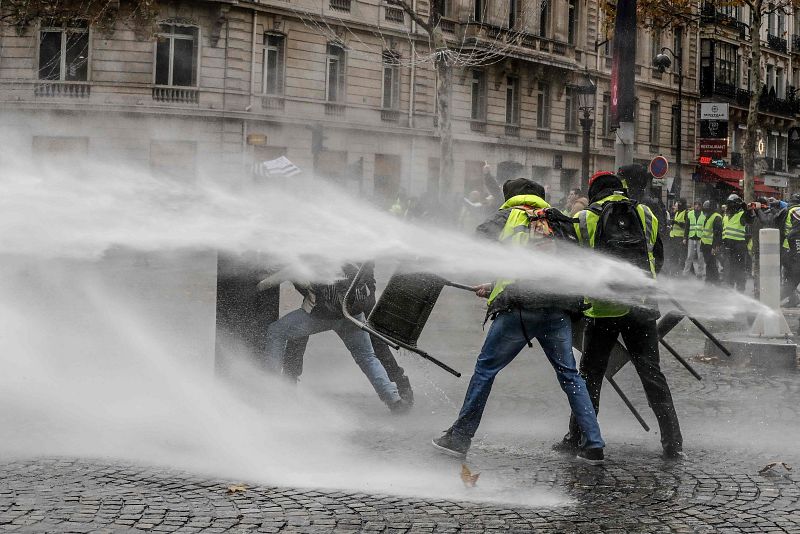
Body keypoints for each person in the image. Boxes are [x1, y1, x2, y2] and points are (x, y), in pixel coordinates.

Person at [431, 177, 606, 464]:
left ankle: (459, 437)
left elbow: (481, 246)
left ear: (511, 196)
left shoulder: (508, 216)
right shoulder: (557, 218)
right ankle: (593, 444)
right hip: (557, 307)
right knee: (570, 375)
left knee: (485, 370)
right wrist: (495, 283)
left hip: (520, 308)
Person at [554, 171, 684, 460]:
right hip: (643, 306)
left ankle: (579, 436)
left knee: (590, 376)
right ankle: (673, 441)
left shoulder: (587, 218)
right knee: (652, 374)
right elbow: (657, 258)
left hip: (603, 308)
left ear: (595, 191)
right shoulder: (646, 214)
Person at [264, 262, 410, 413]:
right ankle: (394, 400)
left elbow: (271, 279)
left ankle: (271, 390)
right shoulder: (351, 252)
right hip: (353, 315)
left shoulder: (306, 255)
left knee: (276, 331)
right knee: (367, 357)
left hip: (320, 317)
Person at [722, 194, 755, 292]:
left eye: (730, 204)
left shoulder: (741, 215)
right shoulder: (726, 216)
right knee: (730, 268)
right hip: (728, 246)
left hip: (738, 246)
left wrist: (747, 210)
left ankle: (740, 288)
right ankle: (730, 286)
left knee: (739, 268)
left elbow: (750, 218)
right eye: (728, 204)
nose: (728, 206)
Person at [781, 193, 800, 307]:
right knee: (793, 277)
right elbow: (794, 234)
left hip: (786, 248)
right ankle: (772, 301)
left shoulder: (785, 210)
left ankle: (792, 299)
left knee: (790, 277)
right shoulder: (795, 210)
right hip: (793, 248)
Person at [700, 200, 723, 284]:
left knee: (712, 263)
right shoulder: (708, 216)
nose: (705, 211)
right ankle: (709, 280)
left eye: (706, 209)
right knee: (708, 263)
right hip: (705, 244)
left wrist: (714, 246)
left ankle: (714, 281)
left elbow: (718, 234)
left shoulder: (716, 217)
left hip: (711, 245)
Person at [683, 201, 706, 278]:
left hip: (700, 238)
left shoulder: (704, 215)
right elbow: (687, 227)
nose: (697, 207)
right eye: (696, 205)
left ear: (701, 206)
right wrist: (685, 237)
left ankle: (700, 273)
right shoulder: (690, 214)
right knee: (689, 256)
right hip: (692, 237)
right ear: (694, 206)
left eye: (698, 205)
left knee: (700, 257)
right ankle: (685, 273)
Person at [668, 199, 688, 276]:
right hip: (673, 237)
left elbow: (686, 226)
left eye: (676, 205)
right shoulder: (677, 213)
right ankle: (674, 271)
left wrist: (675, 222)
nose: (675, 207)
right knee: (673, 256)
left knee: (681, 257)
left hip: (680, 238)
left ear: (680, 205)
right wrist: (671, 223)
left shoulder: (685, 213)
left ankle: (681, 272)